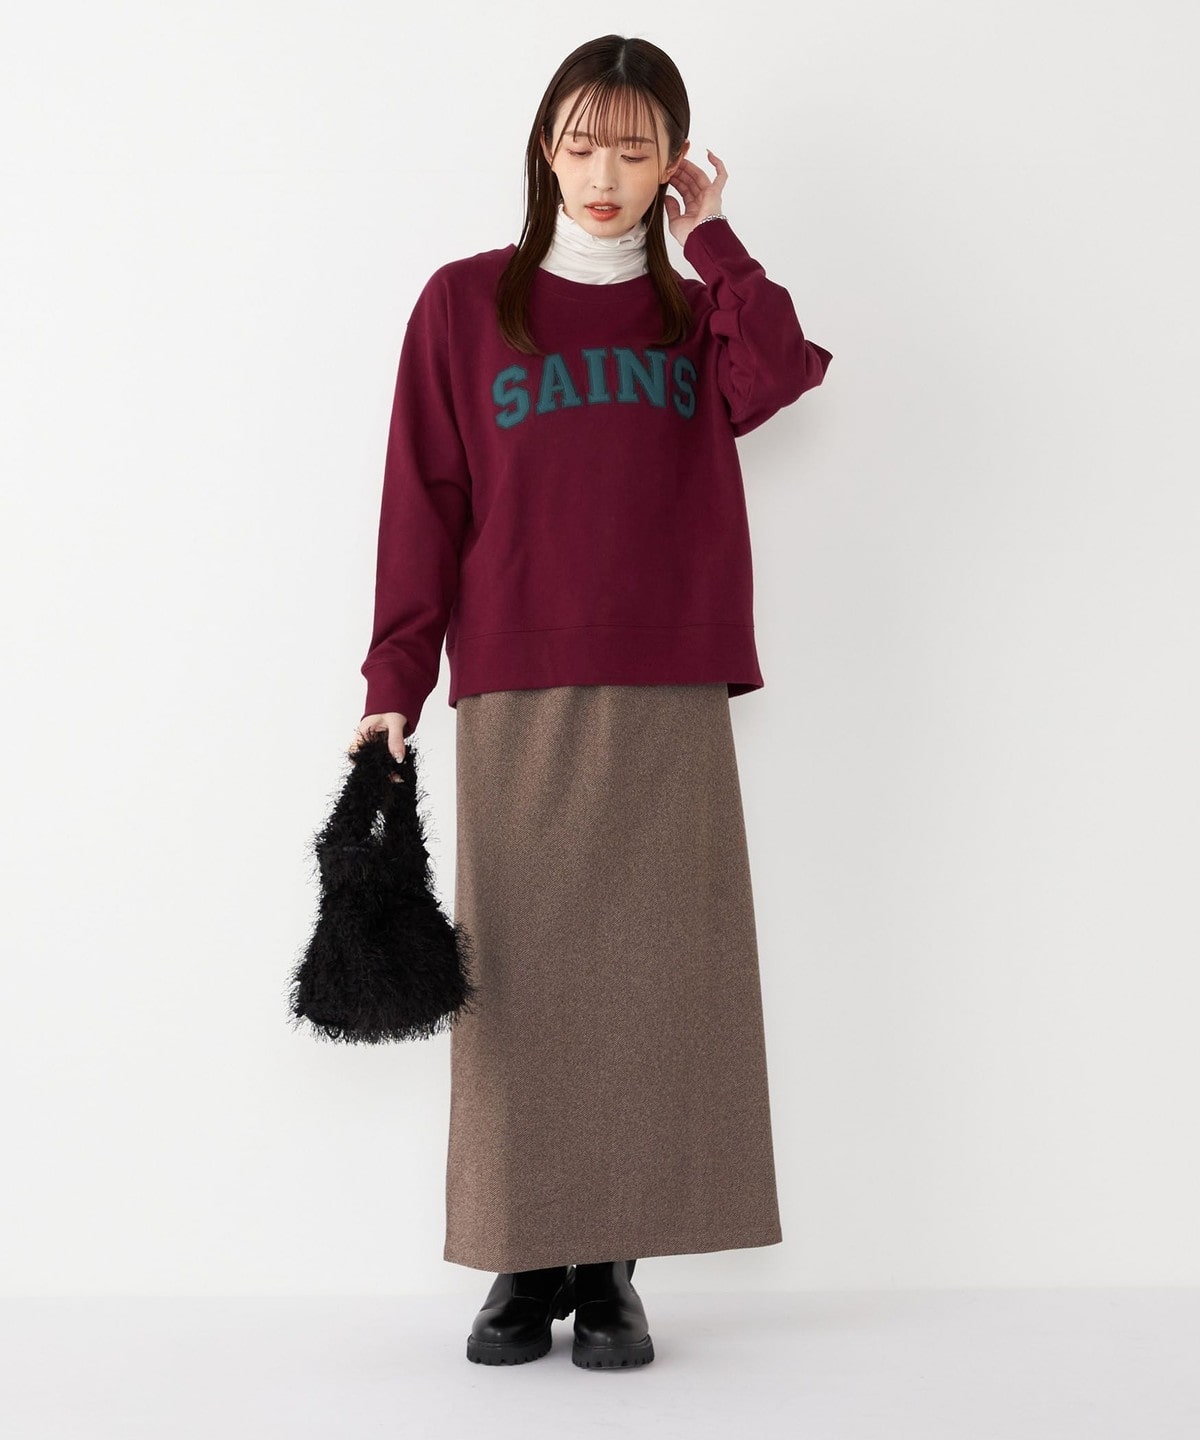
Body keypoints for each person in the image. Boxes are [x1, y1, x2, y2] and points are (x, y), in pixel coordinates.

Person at [349, 33, 832, 1369]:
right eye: (580, 143)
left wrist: (713, 242)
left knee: (652, 979)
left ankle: (611, 1269)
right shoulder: (466, 305)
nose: (604, 173)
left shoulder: (694, 312)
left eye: (634, 147)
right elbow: (422, 501)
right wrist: (395, 680)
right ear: (544, 152)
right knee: (516, 981)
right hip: (517, 680)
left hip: (670, 680)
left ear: (671, 159)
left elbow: (780, 377)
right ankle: (524, 1260)